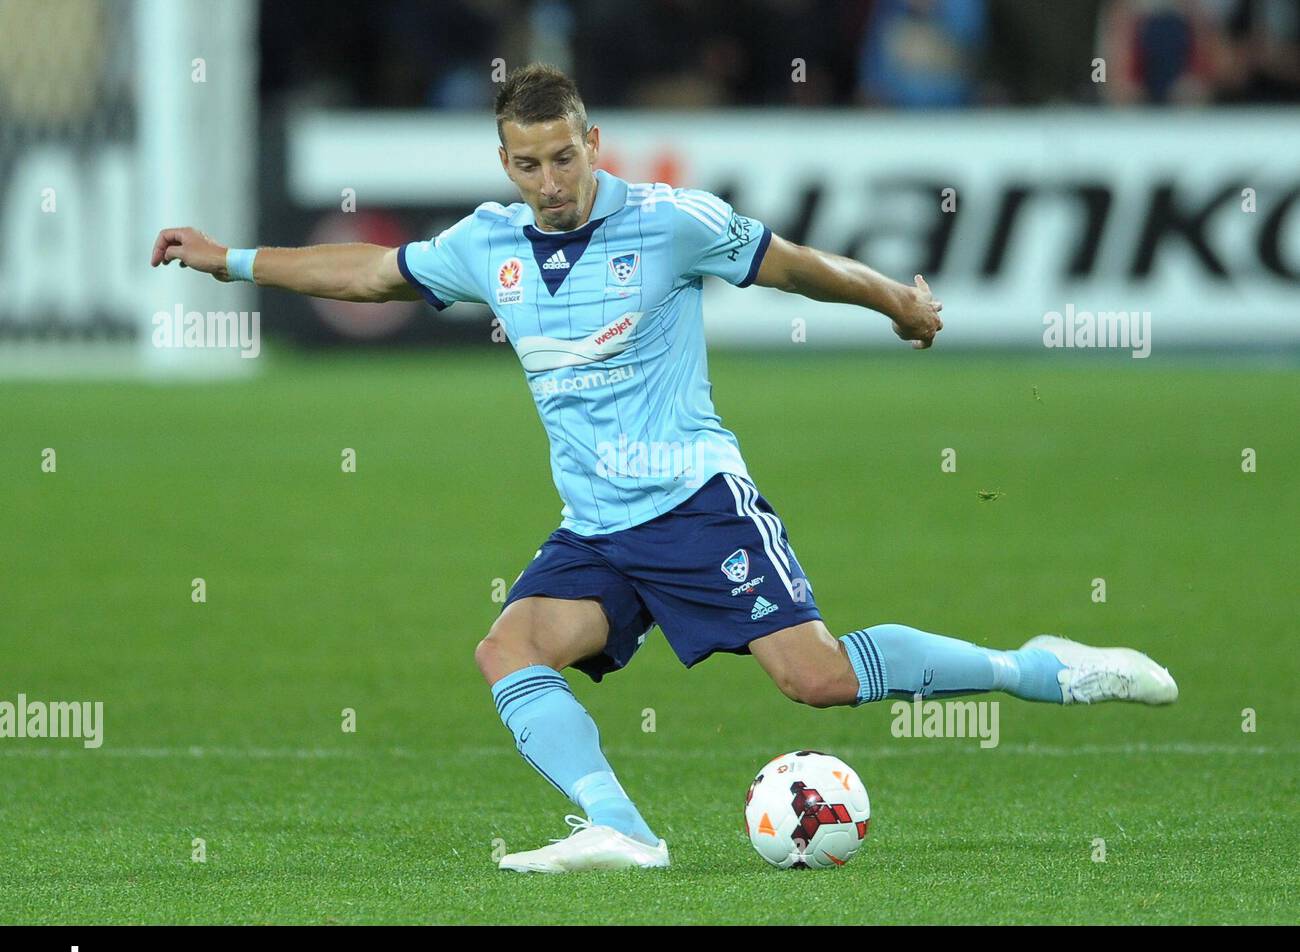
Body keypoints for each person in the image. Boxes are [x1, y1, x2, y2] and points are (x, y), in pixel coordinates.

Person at [149, 63, 1177, 874]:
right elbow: (369, 271)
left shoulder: (670, 222)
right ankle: (621, 831)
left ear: (593, 142)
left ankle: (1039, 667)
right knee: (509, 649)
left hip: (694, 505)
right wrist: (230, 260)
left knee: (814, 680)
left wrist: (895, 302)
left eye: (563, 158)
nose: (549, 183)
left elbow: (797, 264)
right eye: (527, 164)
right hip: (596, 526)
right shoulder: (486, 244)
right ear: (503, 163)